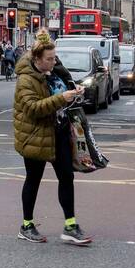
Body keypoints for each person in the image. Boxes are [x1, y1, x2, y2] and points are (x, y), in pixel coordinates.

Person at [13, 32, 91, 246]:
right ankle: (27, 225)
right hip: (35, 134)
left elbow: (65, 88)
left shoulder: (54, 71)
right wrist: (61, 98)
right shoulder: (26, 79)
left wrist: (75, 92)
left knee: (66, 176)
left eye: (54, 57)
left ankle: (70, 225)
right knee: (33, 179)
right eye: (49, 58)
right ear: (37, 59)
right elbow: (32, 109)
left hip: (58, 131)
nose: (54, 61)